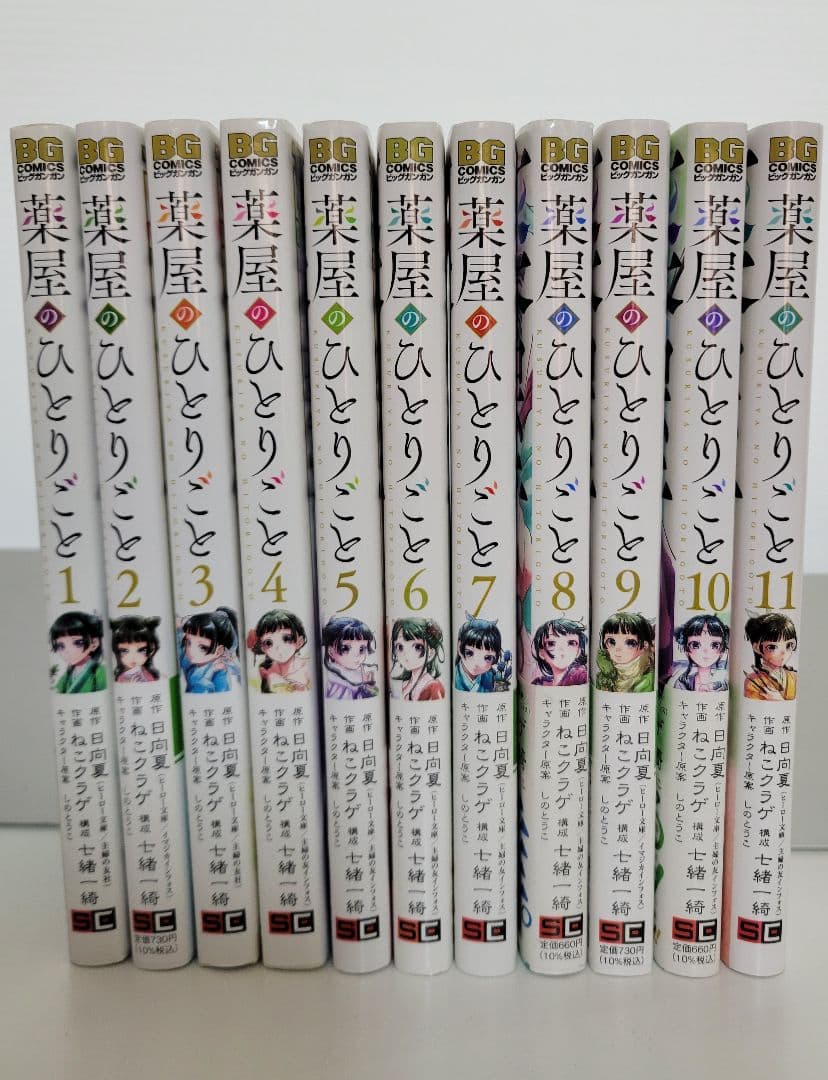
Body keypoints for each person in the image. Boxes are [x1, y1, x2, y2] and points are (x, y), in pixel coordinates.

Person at [178, 607, 241, 693]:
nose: (191, 650)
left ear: (220, 650)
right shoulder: (189, 662)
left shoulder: (219, 672)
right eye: (188, 642)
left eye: (202, 647)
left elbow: (221, 694)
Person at [247, 610, 310, 693]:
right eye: (268, 642)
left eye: (286, 638)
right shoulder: (265, 671)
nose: (278, 647)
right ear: (263, 648)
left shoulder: (307, 667)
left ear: (299, 642)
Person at [595, 612, 655, 693]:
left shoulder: (647, 680)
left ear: (644, 646)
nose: (618, 649)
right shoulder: (605, 673)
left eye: (630, 643)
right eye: (611, 642)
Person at [743, 612, 798, 701]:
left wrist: (779, 700)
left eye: (789, 645)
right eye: (772, 647)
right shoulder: (753, 681)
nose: (783, 652)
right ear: (757, 648)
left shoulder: (794, 677)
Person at [321, 616, 379, 699]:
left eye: (361, 649)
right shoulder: (334, 681)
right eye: (345, 648)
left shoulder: (362, 671)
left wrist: (369, 686)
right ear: (330, 651)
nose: (357, 655)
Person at [389, 617, 446, 701]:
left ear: (431, 653)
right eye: (400, 647)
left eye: (417, 647)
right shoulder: (404, 684)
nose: (406, 655)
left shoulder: (433, 686)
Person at [49, 611, 106, 693]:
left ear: (94, 643)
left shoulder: (101, 672)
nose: (67, 651)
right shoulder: (69, 672)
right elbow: (59, 691)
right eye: (61, 646)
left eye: (77, 642)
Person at [672, 614, 729, 692]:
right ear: (686, 650)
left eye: (715, 645)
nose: (705, 651)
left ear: (722, 650)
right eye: (695, 645)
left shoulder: (722, 684)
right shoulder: (683, 683)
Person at [531, 618, 588, 687]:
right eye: (551, 643)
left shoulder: (581, 677)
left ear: (578, 651)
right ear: (541, 653)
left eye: (571, 643)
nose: (562, 649)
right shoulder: (539, 683)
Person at [454, 617, 505, 692]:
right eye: (469, 653)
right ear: (459, 647)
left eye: (488, 657)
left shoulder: (492, 678)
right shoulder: (453, 675)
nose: (477, 663)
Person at [111, 615, 161, 683]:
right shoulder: (121, 678)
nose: (133, 657)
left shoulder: (150, 674)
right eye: (124, 651)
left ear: (152, 648)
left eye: (141, 650)